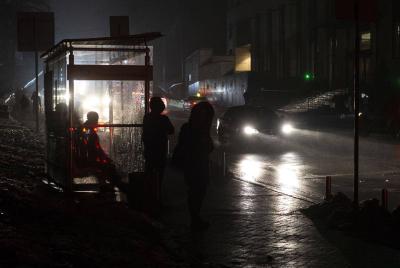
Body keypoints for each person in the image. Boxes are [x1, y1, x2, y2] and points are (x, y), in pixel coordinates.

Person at [176, 101, 214, 231]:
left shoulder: (192, 128)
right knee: (196, 192)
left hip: (198, 165)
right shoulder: (193, 129)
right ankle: (195, 218)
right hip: (194, 165)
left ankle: (195, 217)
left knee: (198, 191)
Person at [80, 111, 123, 192]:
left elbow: (95, 149)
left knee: (108, 167)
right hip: (90, 160)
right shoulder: (90, 132)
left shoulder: (85, 130)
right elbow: (95, 149)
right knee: (110, 167)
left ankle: (107, 186)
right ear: (93, 120)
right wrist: (106, 158)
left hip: (87, 158)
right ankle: (111, 188)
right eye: (96, 119)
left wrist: (104, 157)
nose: (97, 122)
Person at [142, 97, 174, 201]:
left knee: (149, 171)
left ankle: (148, 195)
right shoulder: (163, 119)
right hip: (160, 150)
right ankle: (157, 195)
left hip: (150, 149)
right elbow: (171, 130)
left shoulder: (147, 117)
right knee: (159, 173)